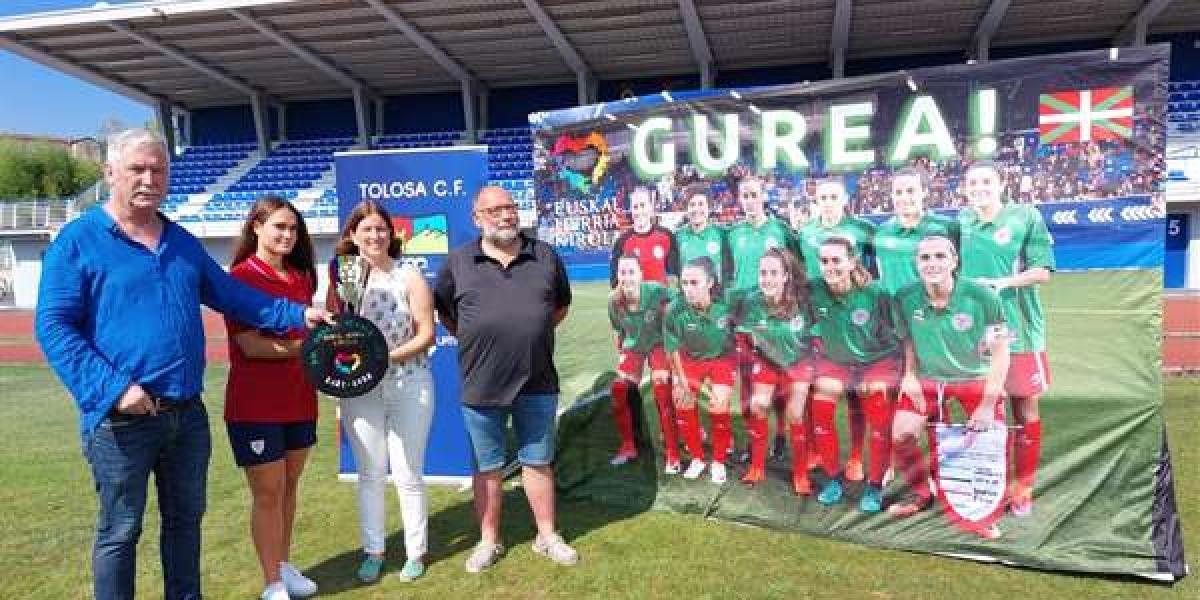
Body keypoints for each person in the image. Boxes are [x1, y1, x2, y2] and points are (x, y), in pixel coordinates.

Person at [34, 128, 331, 600]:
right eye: (137, 168)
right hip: (119, 420)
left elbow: (231, 294)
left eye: (158, 169)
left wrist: (297, 314)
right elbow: (53, 327)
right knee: (120, 532)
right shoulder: (78, 241)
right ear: (110, 173)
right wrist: (114, 388)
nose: (149, 178)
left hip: (186, 414)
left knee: (185, 524)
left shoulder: (181, 242)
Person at [433, 185, 579, 573]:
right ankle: (488, 540)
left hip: (537, 380)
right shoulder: (458, 262)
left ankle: (547, 536)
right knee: (487, 467)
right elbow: (447, 314)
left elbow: (560, 307)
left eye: (510, 207)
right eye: (494, 209)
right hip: (482, 384)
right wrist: (484, 336)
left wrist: (528, 331)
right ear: (476, 217)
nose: (505, 214)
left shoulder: (545, 255)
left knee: (538, 461)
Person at [327, 201, 437, 583]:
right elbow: (334, 331)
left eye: (381, 229)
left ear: (391, 233)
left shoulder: (409, 275)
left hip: (410, 382)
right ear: (352, 235)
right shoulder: (345, 276)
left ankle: (415, 552)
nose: (375, 236)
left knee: (408, 472)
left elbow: (426, 334)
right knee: (370, 473)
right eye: (367, 229)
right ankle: (373, 551)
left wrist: (382, 358)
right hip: (360, 389)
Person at [224, 196, 320, 600]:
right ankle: (272, 583)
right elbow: (251, 345)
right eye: (279, 226)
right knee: (268, 493)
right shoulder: (241, 277)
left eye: (293, 228)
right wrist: (311, 347)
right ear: (257, 227)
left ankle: (283, 564)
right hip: (256, 405)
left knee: (289, 487)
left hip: (300, 399)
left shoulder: (301, 277)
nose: (287, 235)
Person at [890, 235, 1009, 539]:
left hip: (974, 379)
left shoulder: (983, 297)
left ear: (954, 261)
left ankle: (982, 510)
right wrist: (909, 376)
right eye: (925, 257)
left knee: (985, 442)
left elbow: (1000, 354)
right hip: (928, 379)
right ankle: (921, 493)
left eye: (940, 256)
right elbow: (908, 340)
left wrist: (987, 404)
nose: (932, 263)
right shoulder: (905, 297)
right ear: (916, 263)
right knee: (901, 434)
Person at [958, 161, 1055, 517]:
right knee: (987, 409)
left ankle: (1023, 486)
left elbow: (1043, 271)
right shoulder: (962, 222)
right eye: (972, 182)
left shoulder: (1025, 216)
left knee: (1024, 407)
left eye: (986, 181)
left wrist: (1002, 283)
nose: (979, 188)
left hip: (1019, 330)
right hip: (975, 332)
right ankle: (992, 484)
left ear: (1001, 184)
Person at [808, 237, 900, 513]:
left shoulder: (876, 294)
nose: (830, 267)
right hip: (837, 361)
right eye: (824, 261)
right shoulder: (813, 290)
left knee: (877, 407)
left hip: (876, 361)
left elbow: (900, 333)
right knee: (820, 407)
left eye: (836, 260)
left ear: (851, 262)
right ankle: (833, 479)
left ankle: (875, 485)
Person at [798, 177, 876, 482]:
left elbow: (873, 271)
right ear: (815, 201)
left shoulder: (863, 229)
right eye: (822, 198)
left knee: (855, 392)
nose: (828, 203)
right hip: (816, 318)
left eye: (833, 197)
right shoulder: (806, 232)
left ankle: (855, 456)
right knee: (813, 388)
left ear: (845, 199)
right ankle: (815, 450)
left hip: (852, 318)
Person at [725, 175, 800, 462]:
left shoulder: (781, 229)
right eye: (744, 196)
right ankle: (752, 439)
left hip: (777, 313)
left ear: (763, 196)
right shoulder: (733, 233)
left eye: (754, 194)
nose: (749, 200)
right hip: (745, 315)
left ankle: (780, 434)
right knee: (748, 380)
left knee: (779, 376)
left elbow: (796, 265)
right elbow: (727, 272)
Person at [734, 248, 816, 494]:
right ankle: (757, 467)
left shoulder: (802, 301)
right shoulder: (752, 302)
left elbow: (817, 336)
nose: (767, 279)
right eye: (763, 273)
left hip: (799, 362)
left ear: (786, 276)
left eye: (773, 273)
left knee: (795, 414)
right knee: (758, 405)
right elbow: (742, 338)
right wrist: (752, 359)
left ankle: (800, 474)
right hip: (767, 361)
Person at [663, 256, 738, 484]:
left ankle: (719, 461)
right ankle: (697, 458)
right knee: (682, 400)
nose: (688, 289)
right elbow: (672, 350)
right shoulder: (674, 309)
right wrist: (682, 382)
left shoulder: (728, 304)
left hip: (721, 358)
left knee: (719, 405)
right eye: (684, 283)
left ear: (710, 282)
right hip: (690, 359)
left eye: (694, 283)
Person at [607, 255, 680, 472]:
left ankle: (672, 450)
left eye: (631, 272)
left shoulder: (656, 291)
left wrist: (671, 316)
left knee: (661, 385)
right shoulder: (614, 301)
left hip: (658, 343)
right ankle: (629, 445)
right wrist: (623, 358)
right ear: (618, 275)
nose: (627, 277)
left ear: (640, 274)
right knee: (619, 389)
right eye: (623, 272)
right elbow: (618, 331)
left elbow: (680, 301)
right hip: (634, 346)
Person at [874, 168, 959, 295]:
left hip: (931, 305)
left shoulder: (945, 227)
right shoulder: (882, 232)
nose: (904, 198)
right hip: (892, 306)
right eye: (898, 192)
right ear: (892, 195)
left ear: (924, 192)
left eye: (910, 191)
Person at [609, 186, 679, 288]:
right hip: (634, 298)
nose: (639, 211)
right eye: (635, 207)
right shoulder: (622, 242)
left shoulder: (667, 236)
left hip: (661, 297)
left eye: (642, 205)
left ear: (651, 207)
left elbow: (675, 274)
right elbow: (615, 280)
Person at [673, 183, 732, 284]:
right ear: (686, 209)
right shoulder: (677, 236)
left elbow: (728, 270)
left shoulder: (722, 234)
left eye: (701, 204)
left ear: (709, 207)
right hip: (688, 292)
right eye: (692, 205)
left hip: (715, 292)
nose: (696, 209)